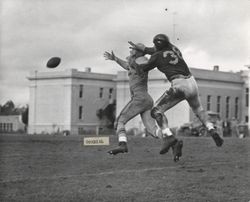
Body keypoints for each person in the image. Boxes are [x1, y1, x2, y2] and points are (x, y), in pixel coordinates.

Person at [129, 34, 224, 160]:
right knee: (198, 110)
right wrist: (144, 49)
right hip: (192, 82)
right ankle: (212, 130)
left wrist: (133, 62)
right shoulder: (173, 48)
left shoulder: (156, 56)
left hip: (179, 84)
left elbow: (144, 68)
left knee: (156, 111)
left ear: (156, 45)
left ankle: (169, 137)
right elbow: (156, 50)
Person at [104, 44, 168, 156]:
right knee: (152, 130)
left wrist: (133, 62)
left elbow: (141, 66)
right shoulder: (135, 61)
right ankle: (171, 141)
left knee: (120, 121)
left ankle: (122, 145)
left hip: (140, 98)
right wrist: (115, 59)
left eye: (133, 48)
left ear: (138, 51)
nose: (131, 50)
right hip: (146, 99)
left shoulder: (141, 60)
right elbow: (127, 66)